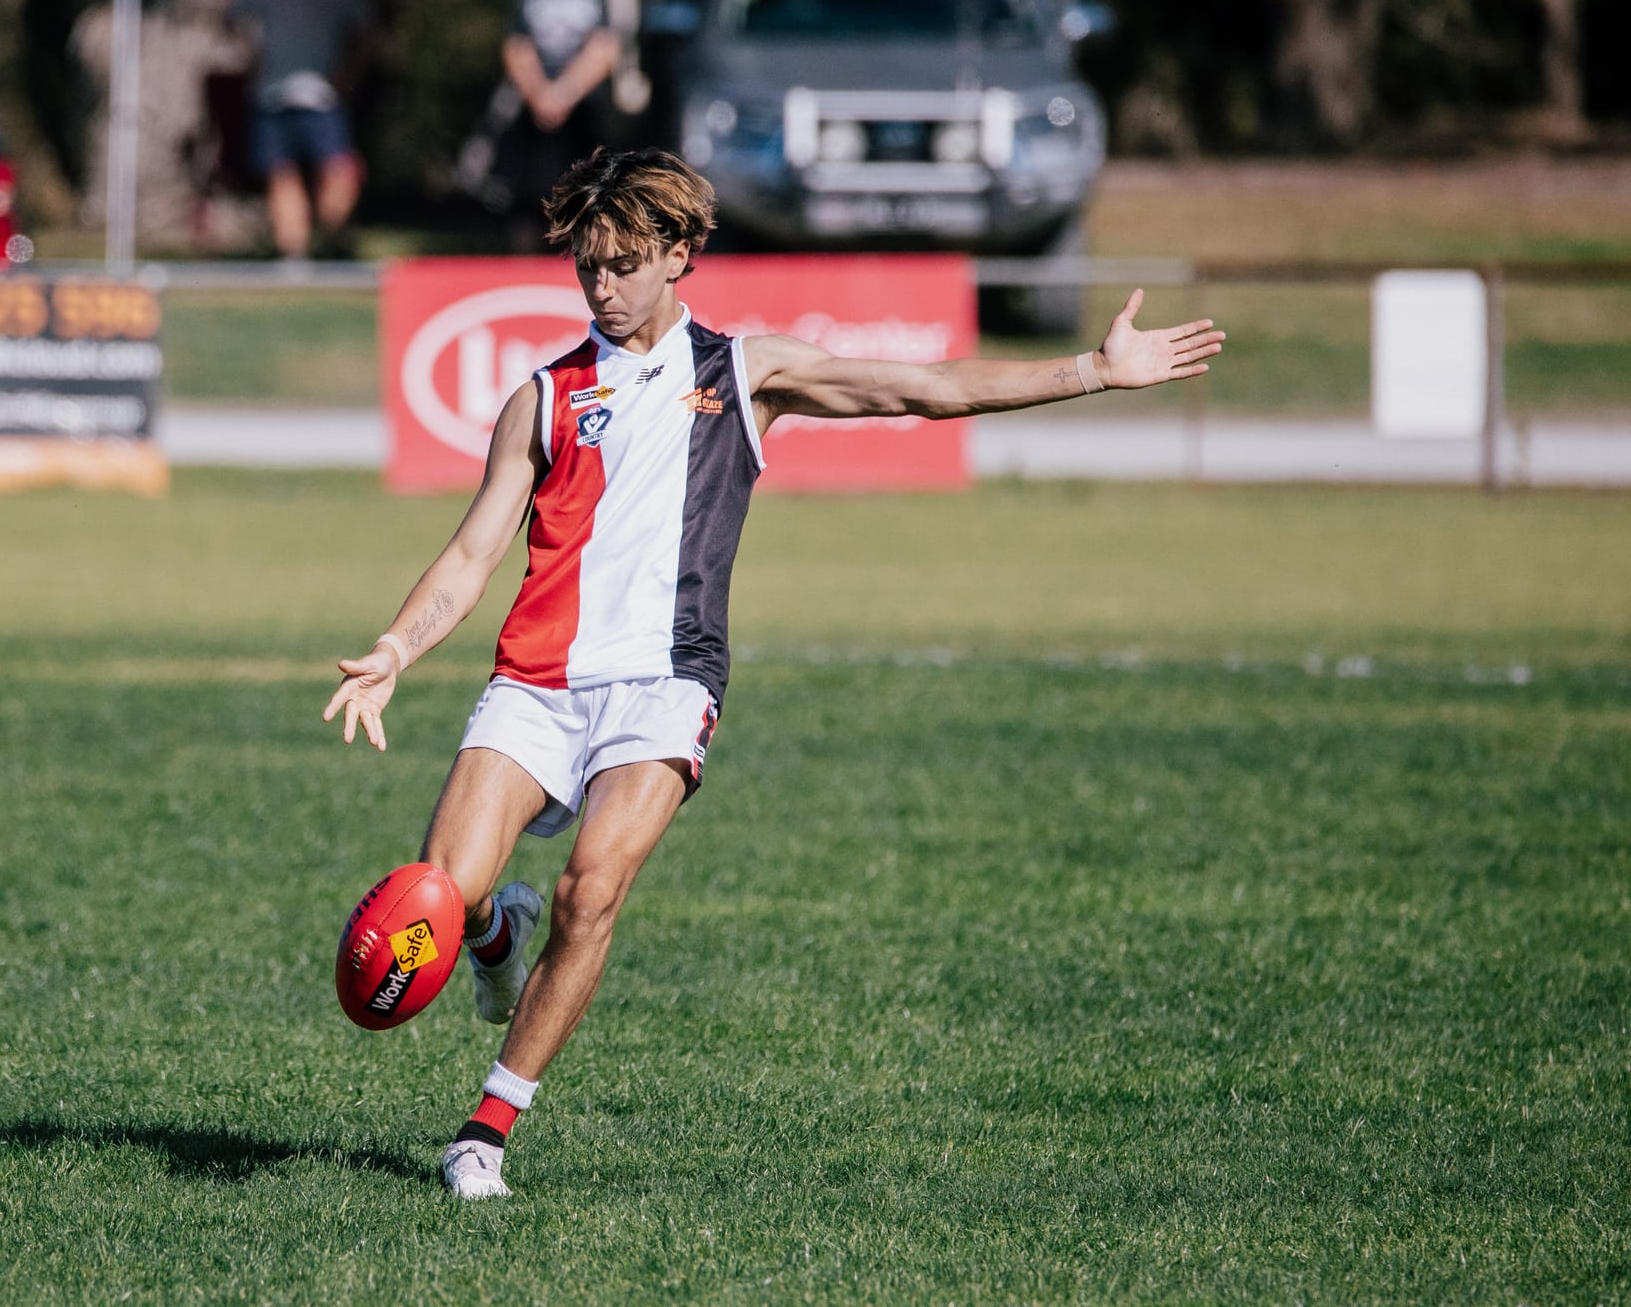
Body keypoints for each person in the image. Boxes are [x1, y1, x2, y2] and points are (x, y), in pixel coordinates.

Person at [323, 148, 1224, 1200]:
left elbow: (926, 388)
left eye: (619, 265)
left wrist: (1087, 371)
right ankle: (492, 930)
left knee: (593, 888)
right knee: (441, 888)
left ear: (677, 256)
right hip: (535, 680)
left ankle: (483, 1131)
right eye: (583, 268)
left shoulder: (742, 372)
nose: (599, 287)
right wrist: (392, 649)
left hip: (663, 684)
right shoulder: (541, 398)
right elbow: (474, 550)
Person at [226, 0, 370, 259]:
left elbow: (365, 32)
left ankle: (330, 241)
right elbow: (229, 19)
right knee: (281, 178)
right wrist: (253, 55)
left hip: (322, 97)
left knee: (339, 174)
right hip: (271, 98)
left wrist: (349, 74)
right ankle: (294, 257)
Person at [493, 0, 621, 251]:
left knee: (588, 199)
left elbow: (604, 46)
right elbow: (517, 46)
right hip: (533, 116)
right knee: (528, 206)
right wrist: (539, 94)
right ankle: (525, 276)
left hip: (584, 114)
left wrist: (565, 92)